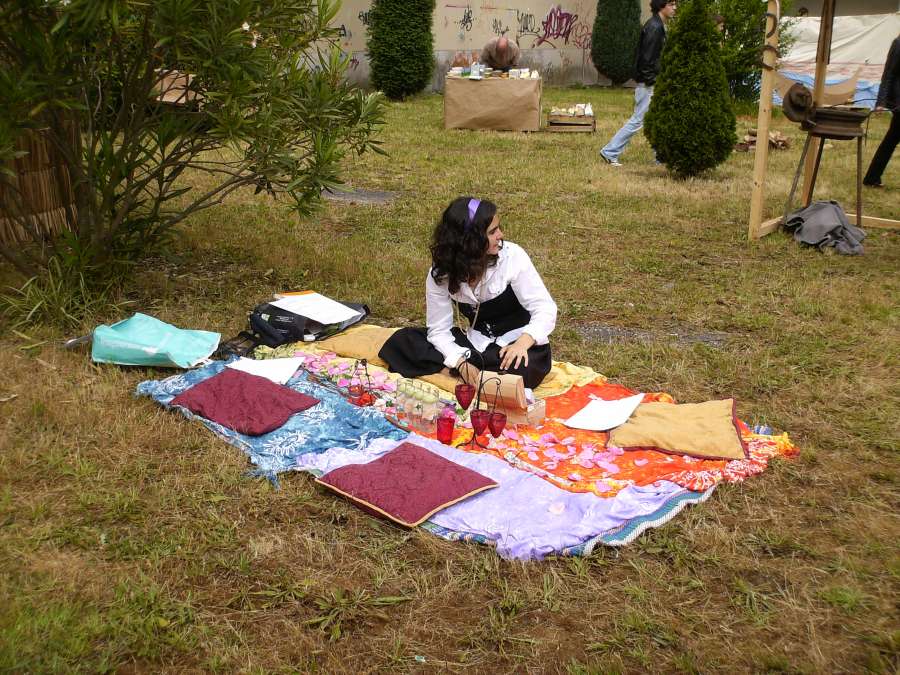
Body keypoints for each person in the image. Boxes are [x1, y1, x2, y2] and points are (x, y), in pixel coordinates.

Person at [378, 197, 557, 390]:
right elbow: (438, 329)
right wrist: (459, 361)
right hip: (475, 344)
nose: (501, 235)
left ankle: (456, 374)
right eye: (492, 232)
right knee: (403, 341)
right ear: (471, 241)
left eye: (498, 228)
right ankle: (469, 374)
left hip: (517, 343)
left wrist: (522, 343)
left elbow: (545, 308)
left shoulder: (512, 256)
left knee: (519, 370)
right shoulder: (442, 273)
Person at [600, 0, 677, 166]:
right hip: (649, 84)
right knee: (638, 121)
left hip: (651, 82)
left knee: (658, 119)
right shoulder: (654, 27)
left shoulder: (658, 25)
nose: (675, 8)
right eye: (671, 4)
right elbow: (647, 60)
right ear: (661, 6)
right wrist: (653, 81)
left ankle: (661, 157)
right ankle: (610, 151)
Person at [863, 34, 899, 188]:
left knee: (891, 140)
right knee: (891, 140)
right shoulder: (899, 43)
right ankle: (871, 178)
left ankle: (872, 178)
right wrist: (881, 102)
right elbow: (889, 74)